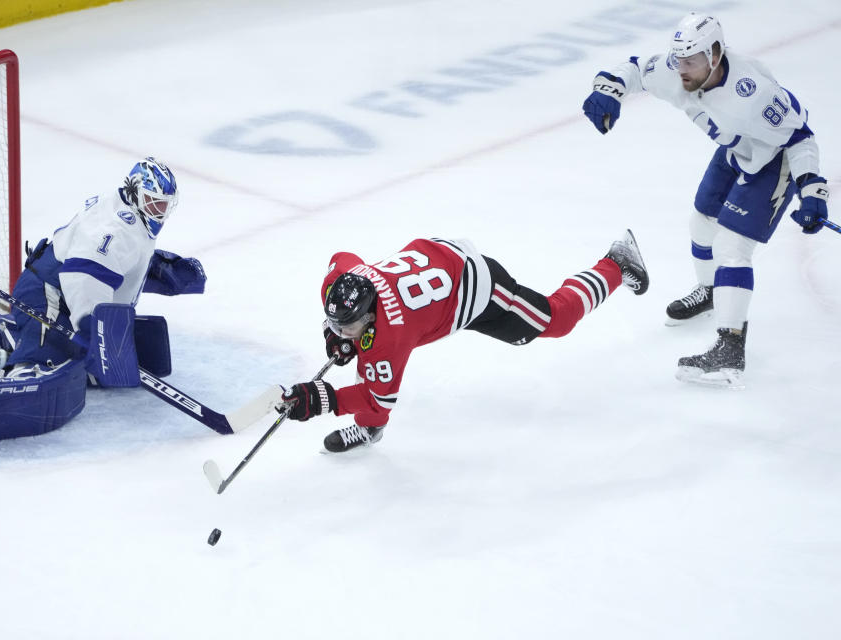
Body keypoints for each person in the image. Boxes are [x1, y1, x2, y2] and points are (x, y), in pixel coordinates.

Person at [581, 13, 830, 388]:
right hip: (735, 151)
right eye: (678, 59)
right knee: (702, 223)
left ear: (715, 54)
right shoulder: (677, 69)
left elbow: (800, 138)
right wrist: (608, 88)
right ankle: (714, 292)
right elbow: (633, 68)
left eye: (691, 60)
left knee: (731, 246)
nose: (681, 68)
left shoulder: (755, 95)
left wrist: (811, 189)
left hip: (772, 161)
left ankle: (730, 348)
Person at [0, 157, 207, 454]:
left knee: (85, 356)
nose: (160, 213)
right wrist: (91, 325)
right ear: (134, 191)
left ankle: (19, 339)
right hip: (47, 293)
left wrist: (168, 271)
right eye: (154, 203)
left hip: (63, 291)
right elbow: (83, 275)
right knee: (39, 377)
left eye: (165, 206)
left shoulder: (128, 213)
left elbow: (118, 266)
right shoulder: (115, 229)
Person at [277, 231, 649, 453]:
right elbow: (340, 257)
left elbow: (378, 397)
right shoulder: (342, 280)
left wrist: (323, 399)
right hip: (435, 259)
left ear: (372, 313)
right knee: (367, 353)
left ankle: (616, 262)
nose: (341, 332)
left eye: (350, 326)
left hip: (476, 287)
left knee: (555, 320)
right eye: (335, 323)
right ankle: (369, 426)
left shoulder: (391, 337)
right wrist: (339, 332)